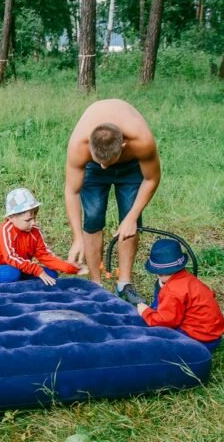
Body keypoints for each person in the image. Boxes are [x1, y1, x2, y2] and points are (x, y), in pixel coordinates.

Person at [64, 99, 161, 304]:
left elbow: (151, 178)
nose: (104, 167)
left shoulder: (141, 141)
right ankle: (95, 284)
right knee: (93, 216)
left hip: (131, 166)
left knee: (129, 220)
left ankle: (124, 284)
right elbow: (72, 191)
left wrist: (132, 217)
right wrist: (77, 238)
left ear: (123, 145)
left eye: (108, 162)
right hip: (93, 166)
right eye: (100, 161)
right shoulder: (79, 145)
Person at [130, 239, 224, 351]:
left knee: (155, 339)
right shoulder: (188, 279)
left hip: (199, 340)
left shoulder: (172, 290)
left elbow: (167, 322)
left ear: (159, 272)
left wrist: (145, 312)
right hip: (214, 335)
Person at [0, 188, 88, 286]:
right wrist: (37, 270)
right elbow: (11, 257)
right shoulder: (5, 230)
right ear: (11, 217)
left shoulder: (34, 231)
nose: (33, 222)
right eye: (28, 220)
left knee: (52, 274)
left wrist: (70, 268)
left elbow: (45, 255)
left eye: (34, 218)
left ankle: (21, 286)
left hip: (22, 268)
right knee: (11, 274)